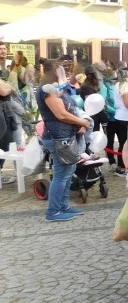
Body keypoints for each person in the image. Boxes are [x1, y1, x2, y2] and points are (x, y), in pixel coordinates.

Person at [35, 59, 91, 222]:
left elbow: (69, 110)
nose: (65, 73)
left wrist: (80, 124)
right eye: (62, 71)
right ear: (54, 71)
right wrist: (83, 123)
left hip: (66, 136)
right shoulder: (47, 89)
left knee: (67, 172)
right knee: (61, 175)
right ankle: (53, 212)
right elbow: (61, 114)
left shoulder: (55, 88)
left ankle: (63, 206)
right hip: (58, 138)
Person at [112, 66, 128, 175]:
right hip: (125, 117)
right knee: (124, 144)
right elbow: (127, 104)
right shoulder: (124, 85)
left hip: (121, 116)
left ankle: (122, 166)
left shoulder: (120, 84)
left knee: (123, 143)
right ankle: (122, 166)